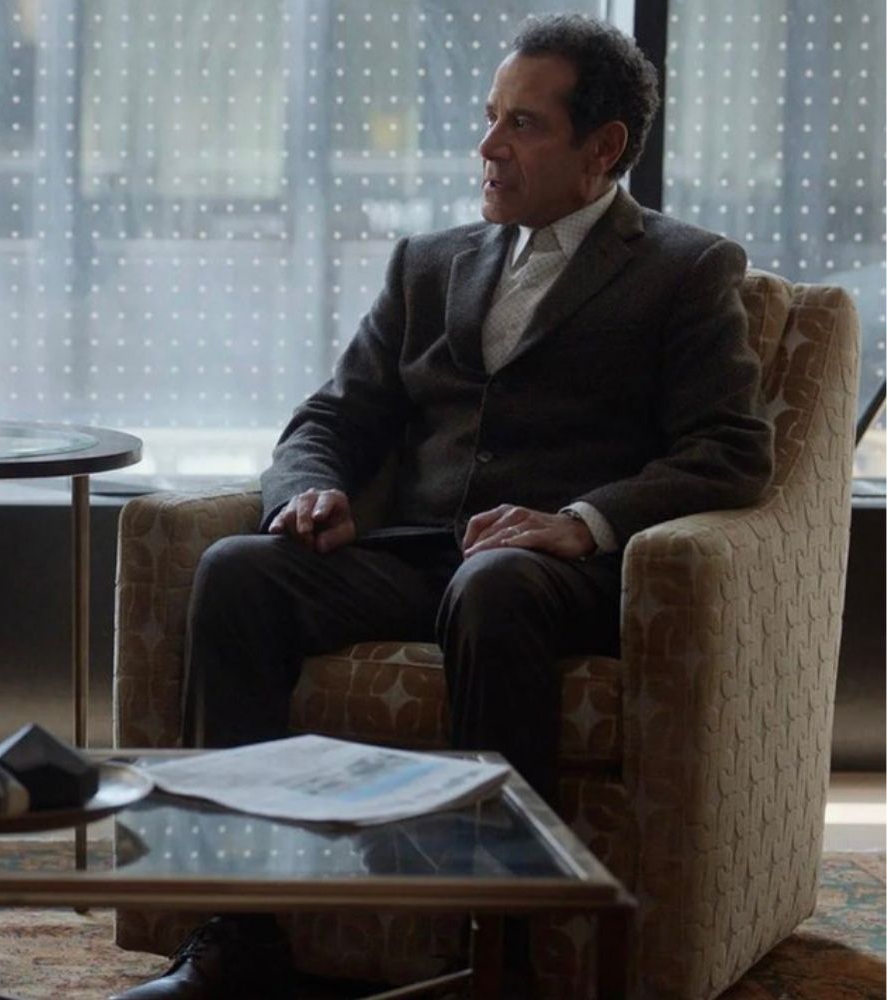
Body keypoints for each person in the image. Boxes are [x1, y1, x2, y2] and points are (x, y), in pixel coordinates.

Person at [111, 12, 773, 1000]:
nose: (488, 145)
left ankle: (501, 959)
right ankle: (240, 939)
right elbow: (333, 416)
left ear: (602, 148)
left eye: (523, 124)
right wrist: (310, 490)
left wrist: (581, 521)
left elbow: (730, 450)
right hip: (418, 556)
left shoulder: (685, 269)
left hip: (557, 580)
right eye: (489, 116)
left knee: (496, 583)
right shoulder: (428, 262)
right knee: (239, 572)